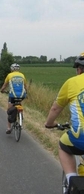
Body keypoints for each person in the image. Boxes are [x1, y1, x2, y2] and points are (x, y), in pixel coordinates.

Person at [45, 52, 84, 186]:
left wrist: (49, 124)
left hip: (80, 137)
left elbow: (55, 109)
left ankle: (71, 180)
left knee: (63, 145)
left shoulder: (72, 82)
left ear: (79, 69)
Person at [0, 63, 27, 134]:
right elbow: (25, 86)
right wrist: (26, 93)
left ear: (12, 69)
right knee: (19, 104)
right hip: (22, 95)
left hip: (12, 96)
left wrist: (2, 90)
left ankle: (9, 128)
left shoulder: (9, 75)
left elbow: (5, 85)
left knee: (9, 111)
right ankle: (21, 117)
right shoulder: (22, 75)